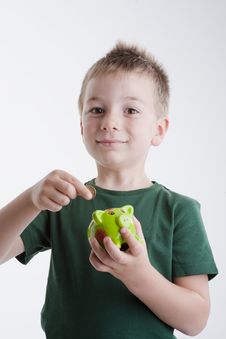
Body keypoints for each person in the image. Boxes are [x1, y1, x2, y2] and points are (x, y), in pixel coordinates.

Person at [0, 41, 218, 339]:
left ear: (159, 129)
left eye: (130, 109)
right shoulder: (61, 201)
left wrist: (138, 275)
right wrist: (31, 199)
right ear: (81, 126)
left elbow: (195, 321)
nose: (110, 122)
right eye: (97, 109)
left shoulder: (179, 210)